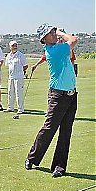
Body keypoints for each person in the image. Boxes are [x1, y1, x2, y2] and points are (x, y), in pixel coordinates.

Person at [25, 24, 78, 178]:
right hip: (58, 95)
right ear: (44, 39)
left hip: (71, 95)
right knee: (49, 129)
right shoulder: (54, 50)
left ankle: (59, 167)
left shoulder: (58, 48)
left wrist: (58, 36)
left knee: (66, 132)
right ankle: (32, 158)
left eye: (54, 31)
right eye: (51, 33)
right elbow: (74, 40)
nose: (54, 34)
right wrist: (62, 33)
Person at [4, 41, 28, 114]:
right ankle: (10, 107)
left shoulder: (20, 55)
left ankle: (20, 109)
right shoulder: (9, 56)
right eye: (13, 45)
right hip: (11, 76)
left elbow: (25, 66)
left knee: (19, 93)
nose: (15, 47)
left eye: (16, 45)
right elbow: (7, 65)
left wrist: (20, 71)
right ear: (10, 47)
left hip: (19, 77)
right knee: (10, 92)